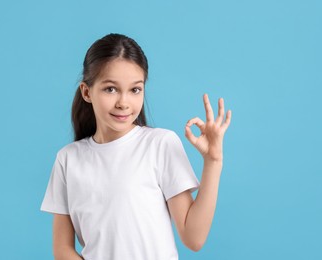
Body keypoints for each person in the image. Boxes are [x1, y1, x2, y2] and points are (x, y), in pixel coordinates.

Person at [40, 33, 232, 260]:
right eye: (111, 89)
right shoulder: (68, 159)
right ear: (87, 92)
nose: (123, 102)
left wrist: (213, 162)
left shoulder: (160, 144)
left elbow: (194, 238)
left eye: (135, 90)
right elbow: (62, 250)